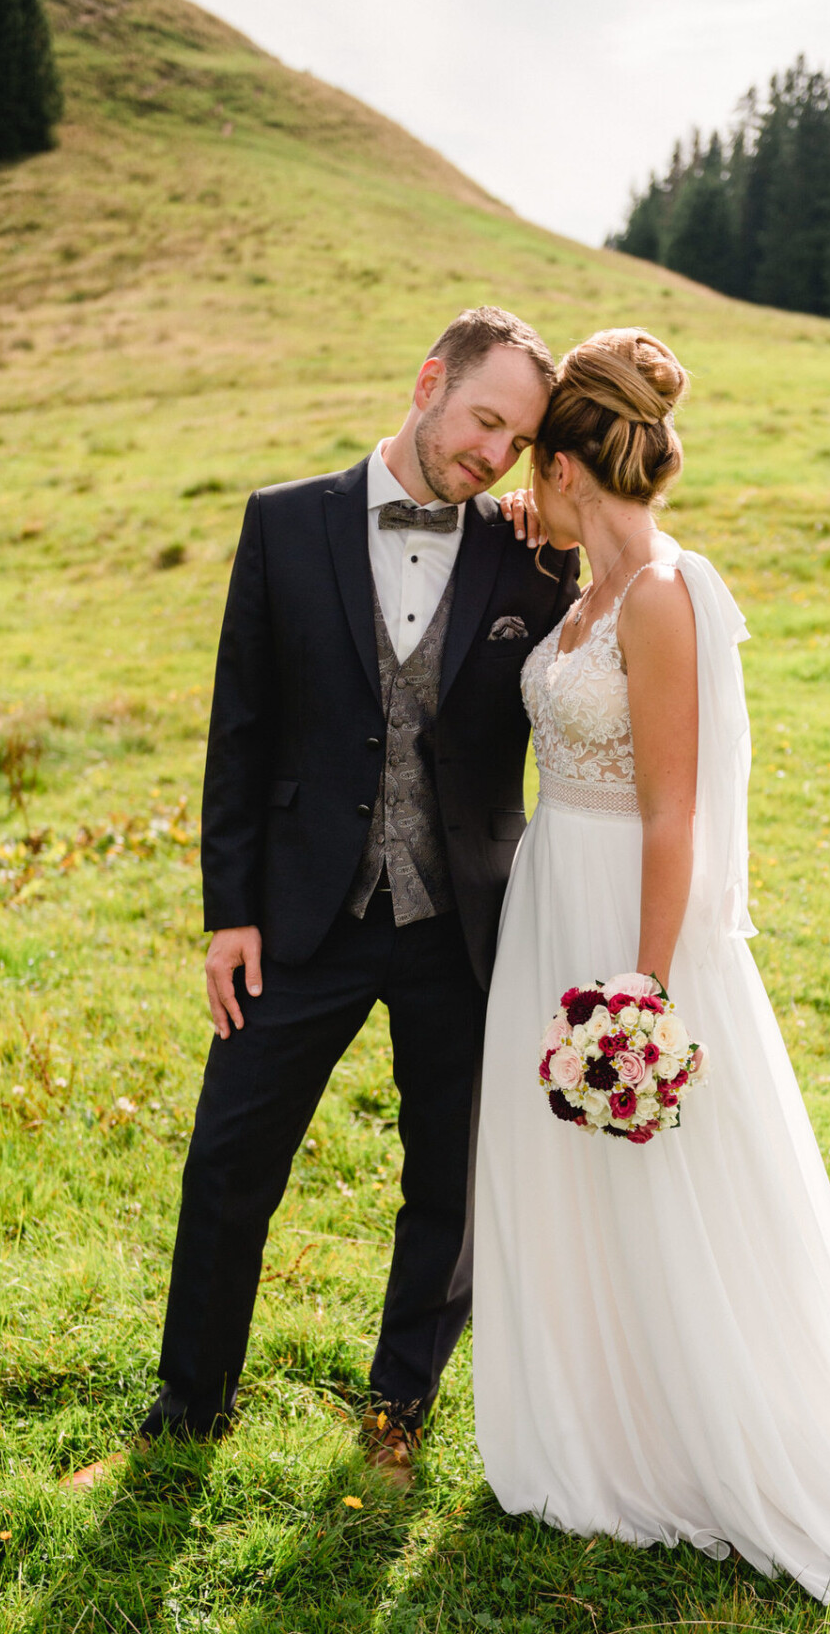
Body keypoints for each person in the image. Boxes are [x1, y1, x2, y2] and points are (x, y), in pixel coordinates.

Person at [473, 327, 830, 1603]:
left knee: (670, 1184)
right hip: (552, 892)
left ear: (565, 465)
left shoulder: (658, 596)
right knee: (570, 1174)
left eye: (530, 465)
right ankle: (600, 1418)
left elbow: (674, 812)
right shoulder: (585, 593)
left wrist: (642, 990)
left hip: (628, 919)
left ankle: (705, 1433)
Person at [70, 307, 579, 1490]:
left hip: (463, 922)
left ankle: (398, 1409)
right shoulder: (284, 522)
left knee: (445, 1180)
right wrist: (227, 912)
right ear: (428, 383)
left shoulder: (529, 554)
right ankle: (189, 1411)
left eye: (517, 438)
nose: (495, 452)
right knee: (228, 1162)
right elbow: (238, 729)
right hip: (298, 916)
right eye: (484, 419)